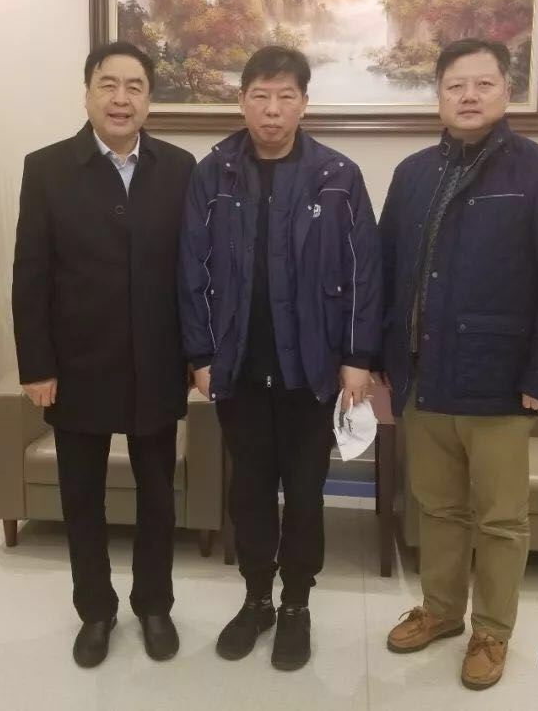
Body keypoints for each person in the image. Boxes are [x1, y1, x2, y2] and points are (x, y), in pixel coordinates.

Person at [379, 38, 538, 689]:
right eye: (455, 86)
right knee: (437, 508)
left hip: (500, 380)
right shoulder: (413, 173)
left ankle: (492, 631)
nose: (469, 96)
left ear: (507, 91)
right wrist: (384, 364)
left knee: (500, 518)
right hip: (424, 377)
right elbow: (387, 273)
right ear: (438, 96)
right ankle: (441, 610)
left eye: (483, 84)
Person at [179, 45, 382, 671]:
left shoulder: (338, 175)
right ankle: (256, 599)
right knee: (248, 492)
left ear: (304, 103)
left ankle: (296, 604)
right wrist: (200, 353)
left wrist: (358, 357)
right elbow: (191, 270)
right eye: (260, 97)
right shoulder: (213, 173)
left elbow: (365, 272)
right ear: (241, 101)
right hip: (238, 368)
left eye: (285, 97)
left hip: (311, 371)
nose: (272, 110)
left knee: (305, 494)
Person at [12, 41, 195, 668]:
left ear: (150, 99)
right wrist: (37, 365)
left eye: (134, 86)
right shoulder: (46, 168)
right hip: (77, 367)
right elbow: (30, 274)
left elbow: (193, 272)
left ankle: (154, 604)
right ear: (87, 92)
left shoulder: (180, 168)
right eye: (108, 84)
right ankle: (95, 609)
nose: (121, 99)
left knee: (158, 495)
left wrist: (197, 353)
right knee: (82, 496)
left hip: (157, 364)